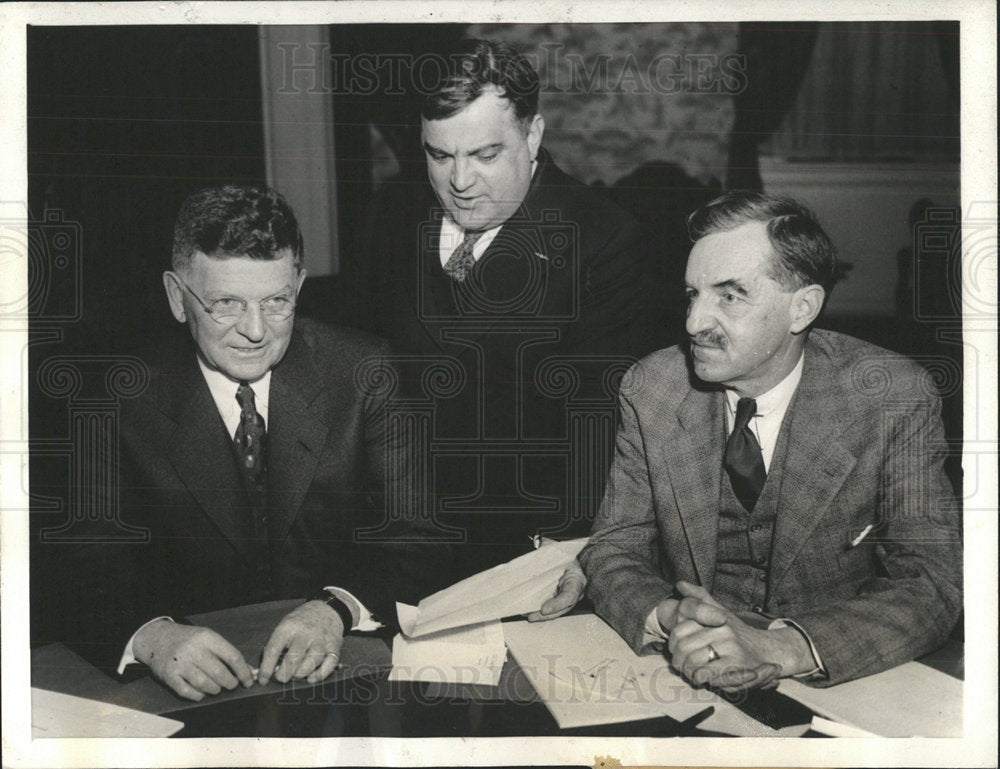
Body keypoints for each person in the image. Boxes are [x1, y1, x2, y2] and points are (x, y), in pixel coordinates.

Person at [317, 39, 671, 604]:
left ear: (532, 136)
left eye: (485, 155)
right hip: (393, 539)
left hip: (524, 553)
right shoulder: (393, 211)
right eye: (439, 155)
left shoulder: (605, 241)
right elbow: (361, 374)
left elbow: (600, 430)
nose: (460, 182)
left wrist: (576, 553)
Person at [67, 185, 444, 701]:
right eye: (225, 304)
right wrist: (153, 636)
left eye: (276, 302)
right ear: (178, 298)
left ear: (299, 286)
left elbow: (418, 536)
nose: (255, 330)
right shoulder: (117, 398)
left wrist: (337, 607)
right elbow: (83, 565)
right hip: (186, 689)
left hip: (340, 672)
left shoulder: (363, 371)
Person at [579, 191, 962, 690]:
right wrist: (675, 617)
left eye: (729, 295)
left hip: (841, 678)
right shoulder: (651, 388)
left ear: (801, 309)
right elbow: (613, 547)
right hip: (682, 673)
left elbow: (933, 581)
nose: (694, 322)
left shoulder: (892, 396)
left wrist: (783, 648)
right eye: (693, 294)